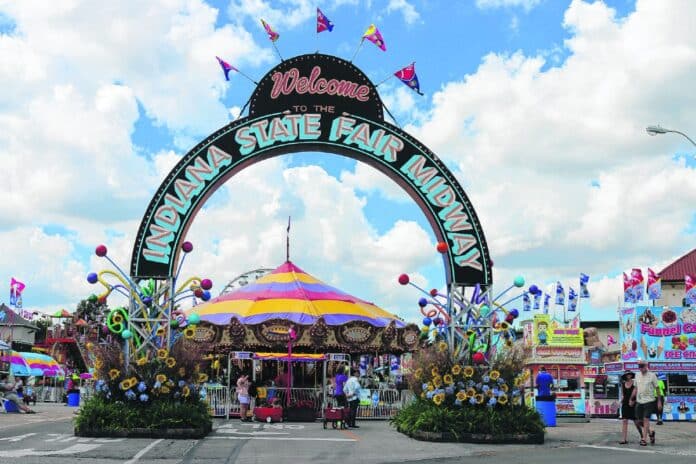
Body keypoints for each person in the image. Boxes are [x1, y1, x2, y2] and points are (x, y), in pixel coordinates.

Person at [630, 360, 659, 446]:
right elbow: (635, 388)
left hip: (649, 401)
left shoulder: (652, 375)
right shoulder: (637, 375)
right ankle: (651, 432)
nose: (641, 368)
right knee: (639, 421)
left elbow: (657, 389)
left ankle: (644, 439)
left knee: (646, 419)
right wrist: (631, 398)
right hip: (639, 401)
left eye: (642, 366)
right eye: (639, 366)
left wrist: (659, 402)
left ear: (646, 366)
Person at [619, 371, 642, 444]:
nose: (628, 375)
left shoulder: (635, 383)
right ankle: (624, 439)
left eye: (629, 374)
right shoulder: (623, 384)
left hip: (633, 403)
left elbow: (638, 394)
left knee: (637, 422)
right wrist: (620, 401)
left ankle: (642, 436)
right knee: (624, 421)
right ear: (625, 376)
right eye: (627, 375)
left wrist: (633, 401)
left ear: (631, 375)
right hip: (625, 404)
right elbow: (623, 395)